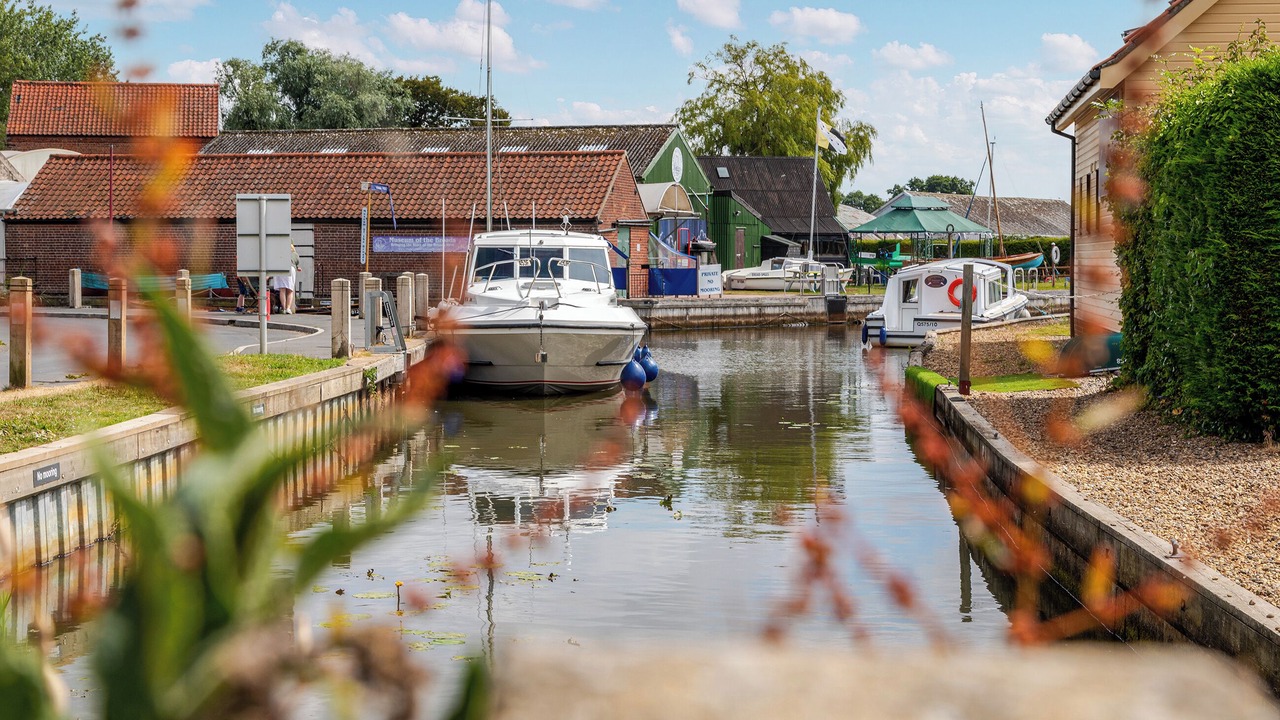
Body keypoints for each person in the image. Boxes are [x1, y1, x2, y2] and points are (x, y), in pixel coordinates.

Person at [273, 245, 301, 314]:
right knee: (290, 290)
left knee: (282, 290)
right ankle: (288, 308)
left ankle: (284, 308)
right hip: (290, 269)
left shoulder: (280, 253)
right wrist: (297, 268)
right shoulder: (295, 254)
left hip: (281, 268)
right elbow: (296, 264)